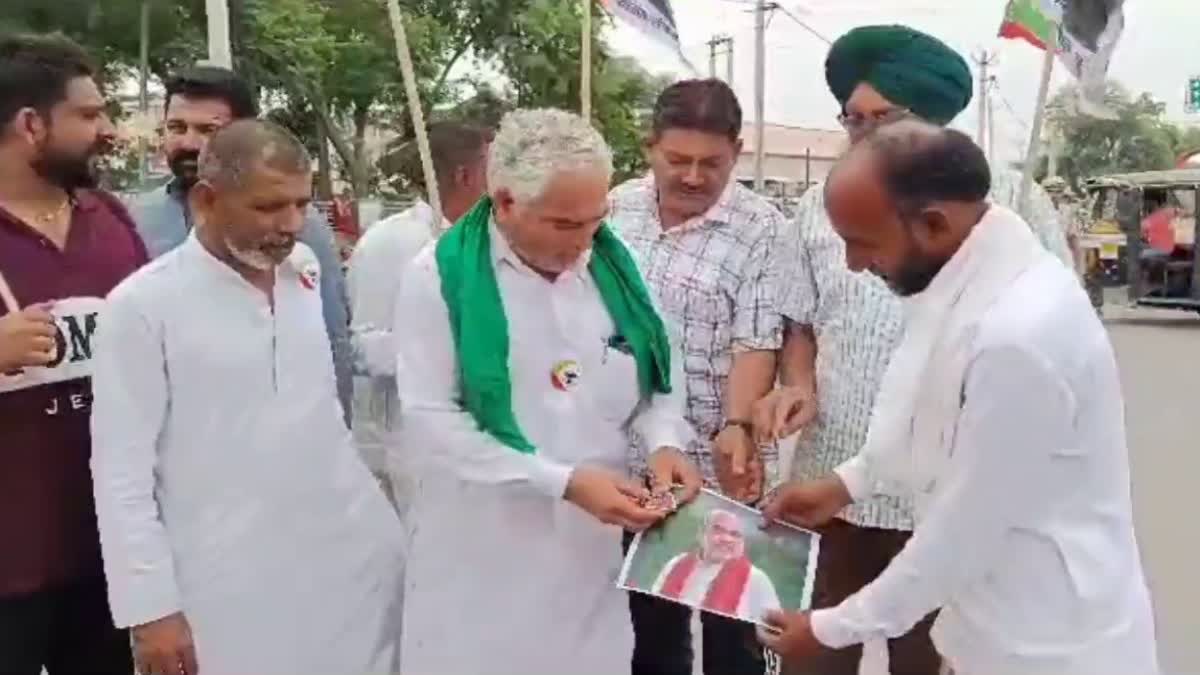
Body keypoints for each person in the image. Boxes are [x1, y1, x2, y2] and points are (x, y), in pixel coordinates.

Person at [759, 120, 1159, 675]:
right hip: (990, 625)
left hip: (1047, 643)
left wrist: (831, 629)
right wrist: (848, 483)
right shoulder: (970, 275)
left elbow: (965, 528)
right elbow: (923, 406)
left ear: (933, 223)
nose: (852, 265)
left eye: (862, 243)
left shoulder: (1020, 336)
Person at [753, 25, 1073, 675]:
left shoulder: (1008, 201)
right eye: (854, 119)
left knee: (931, 655)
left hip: (951, 484)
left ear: (934, 120)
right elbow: (801, 322)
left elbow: (1052, 334)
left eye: (885, 117)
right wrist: (798, 384)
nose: (866, 132)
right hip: (834, 474)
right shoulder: (820, 205)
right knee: (816, 648)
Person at [90, 120, 405, 675]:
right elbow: (121, 474)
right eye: (268, 207)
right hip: (225, 589)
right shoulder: (141, 307)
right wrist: (150, 609)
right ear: (206, 201)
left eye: (301, 205)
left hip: (351, 567)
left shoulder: (302, 271)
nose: (290, 225)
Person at [395, 108, 702, 675]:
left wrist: (664, 442)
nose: (585, 241)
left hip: (589, 560)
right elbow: (432, 420)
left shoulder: (615, 268)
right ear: (506, 201)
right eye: (564, 225)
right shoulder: (437, 278)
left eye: (595, 219)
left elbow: (658, 373)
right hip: (481, 559)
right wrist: (561, 481)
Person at [609, 78, 786, 675]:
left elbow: (756, 339)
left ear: (736, 152)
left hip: (719, 462)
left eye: (711, 163)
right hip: (625, 459)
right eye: (676, 159)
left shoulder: (762, 228)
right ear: (649, 147)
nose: (692, 177)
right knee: (645, 626)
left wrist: (738, 425)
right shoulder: (615, 209)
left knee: (732, 628)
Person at [0, 33, 145, 675]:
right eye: (88, 115)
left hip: (108, 558)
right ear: (32, 124)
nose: (107, 130)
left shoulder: (110, 218)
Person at [127, 65, 353, 422]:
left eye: (207, 130)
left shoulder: (300, 227)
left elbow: (331, 339)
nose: (187, 142)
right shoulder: (137, 219)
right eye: (176, 127)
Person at [346, 121, 490, 510]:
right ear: (466, 175)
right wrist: (450, 345)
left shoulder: (490, 239)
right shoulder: (392, 242)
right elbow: (362, 347)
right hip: (409, 448)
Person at [652, 510, 781, 621]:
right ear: (701, 534)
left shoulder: (757, 579)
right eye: (718, 530)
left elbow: (771, 631)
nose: (726, 539)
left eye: (735, 534)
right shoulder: (676, 563)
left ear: (743, 543)